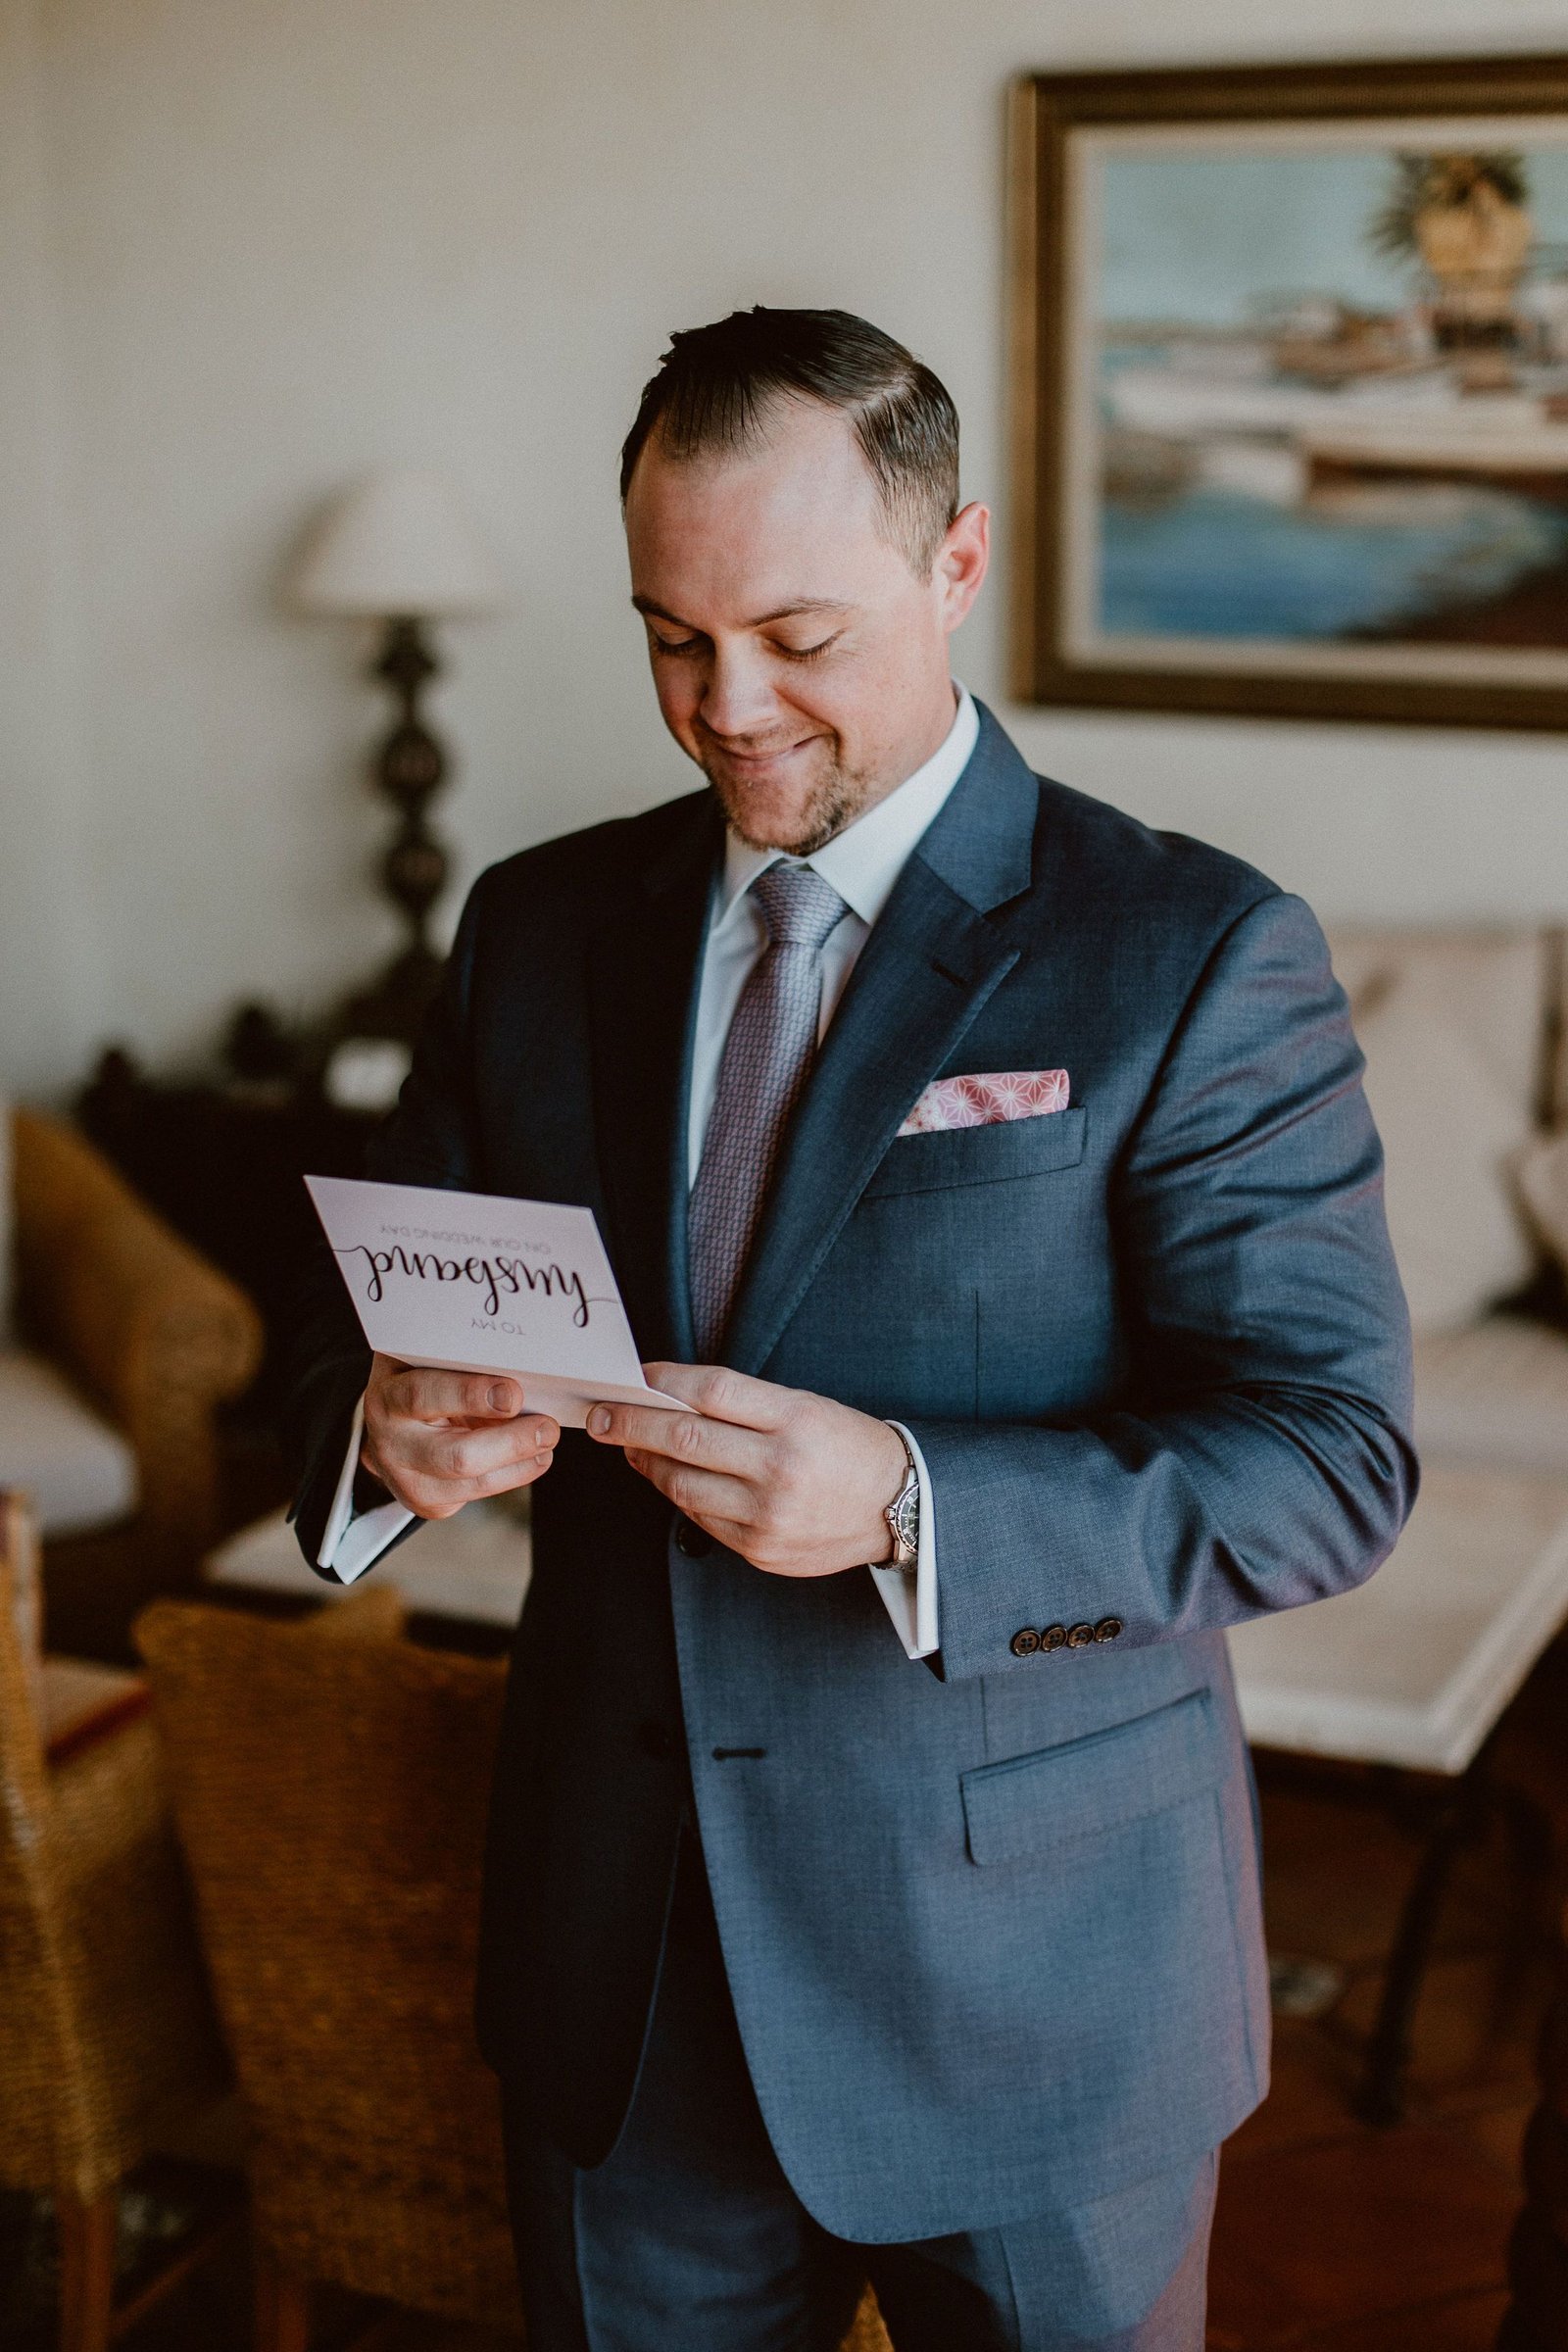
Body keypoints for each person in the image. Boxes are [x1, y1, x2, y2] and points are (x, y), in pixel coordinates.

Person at [284, 307, 1415, 2352]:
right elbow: (352, 1326)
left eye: (797, 636)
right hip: (619, 1981)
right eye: (669, 638)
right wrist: (388, 1441)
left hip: (1033, 1989)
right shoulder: (533, 929)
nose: (727, 709)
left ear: (954, 562)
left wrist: (913, 1503)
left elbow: (1326, 1463)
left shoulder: (1189, 949)